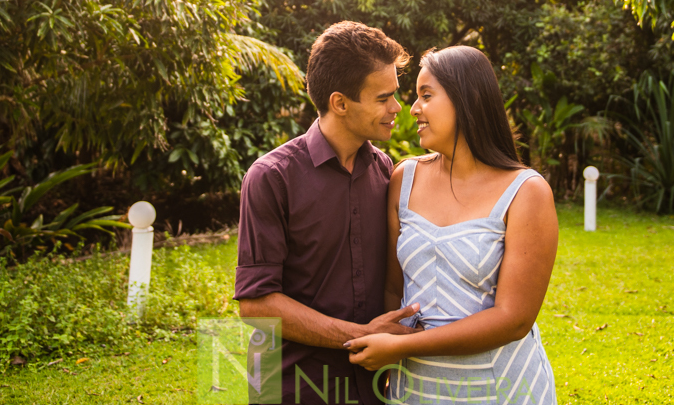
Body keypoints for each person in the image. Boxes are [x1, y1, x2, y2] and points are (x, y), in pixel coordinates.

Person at [346, 45, 559, 404]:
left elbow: (513, 319)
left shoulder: (526, 192)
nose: (413, 109)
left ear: (467, 99)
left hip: (499, 389)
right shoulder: (404, 179)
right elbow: (393, 290)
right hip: (414, 391)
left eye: (426, 96)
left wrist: (403, 346)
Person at [236, 21, 421, 405]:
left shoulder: (386, 171)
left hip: (372, 389)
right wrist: (361, 336)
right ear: (340, 103)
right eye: (383, 97)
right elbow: (257, 304)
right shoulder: (271, 178)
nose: (397, 108)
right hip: (295, 388)